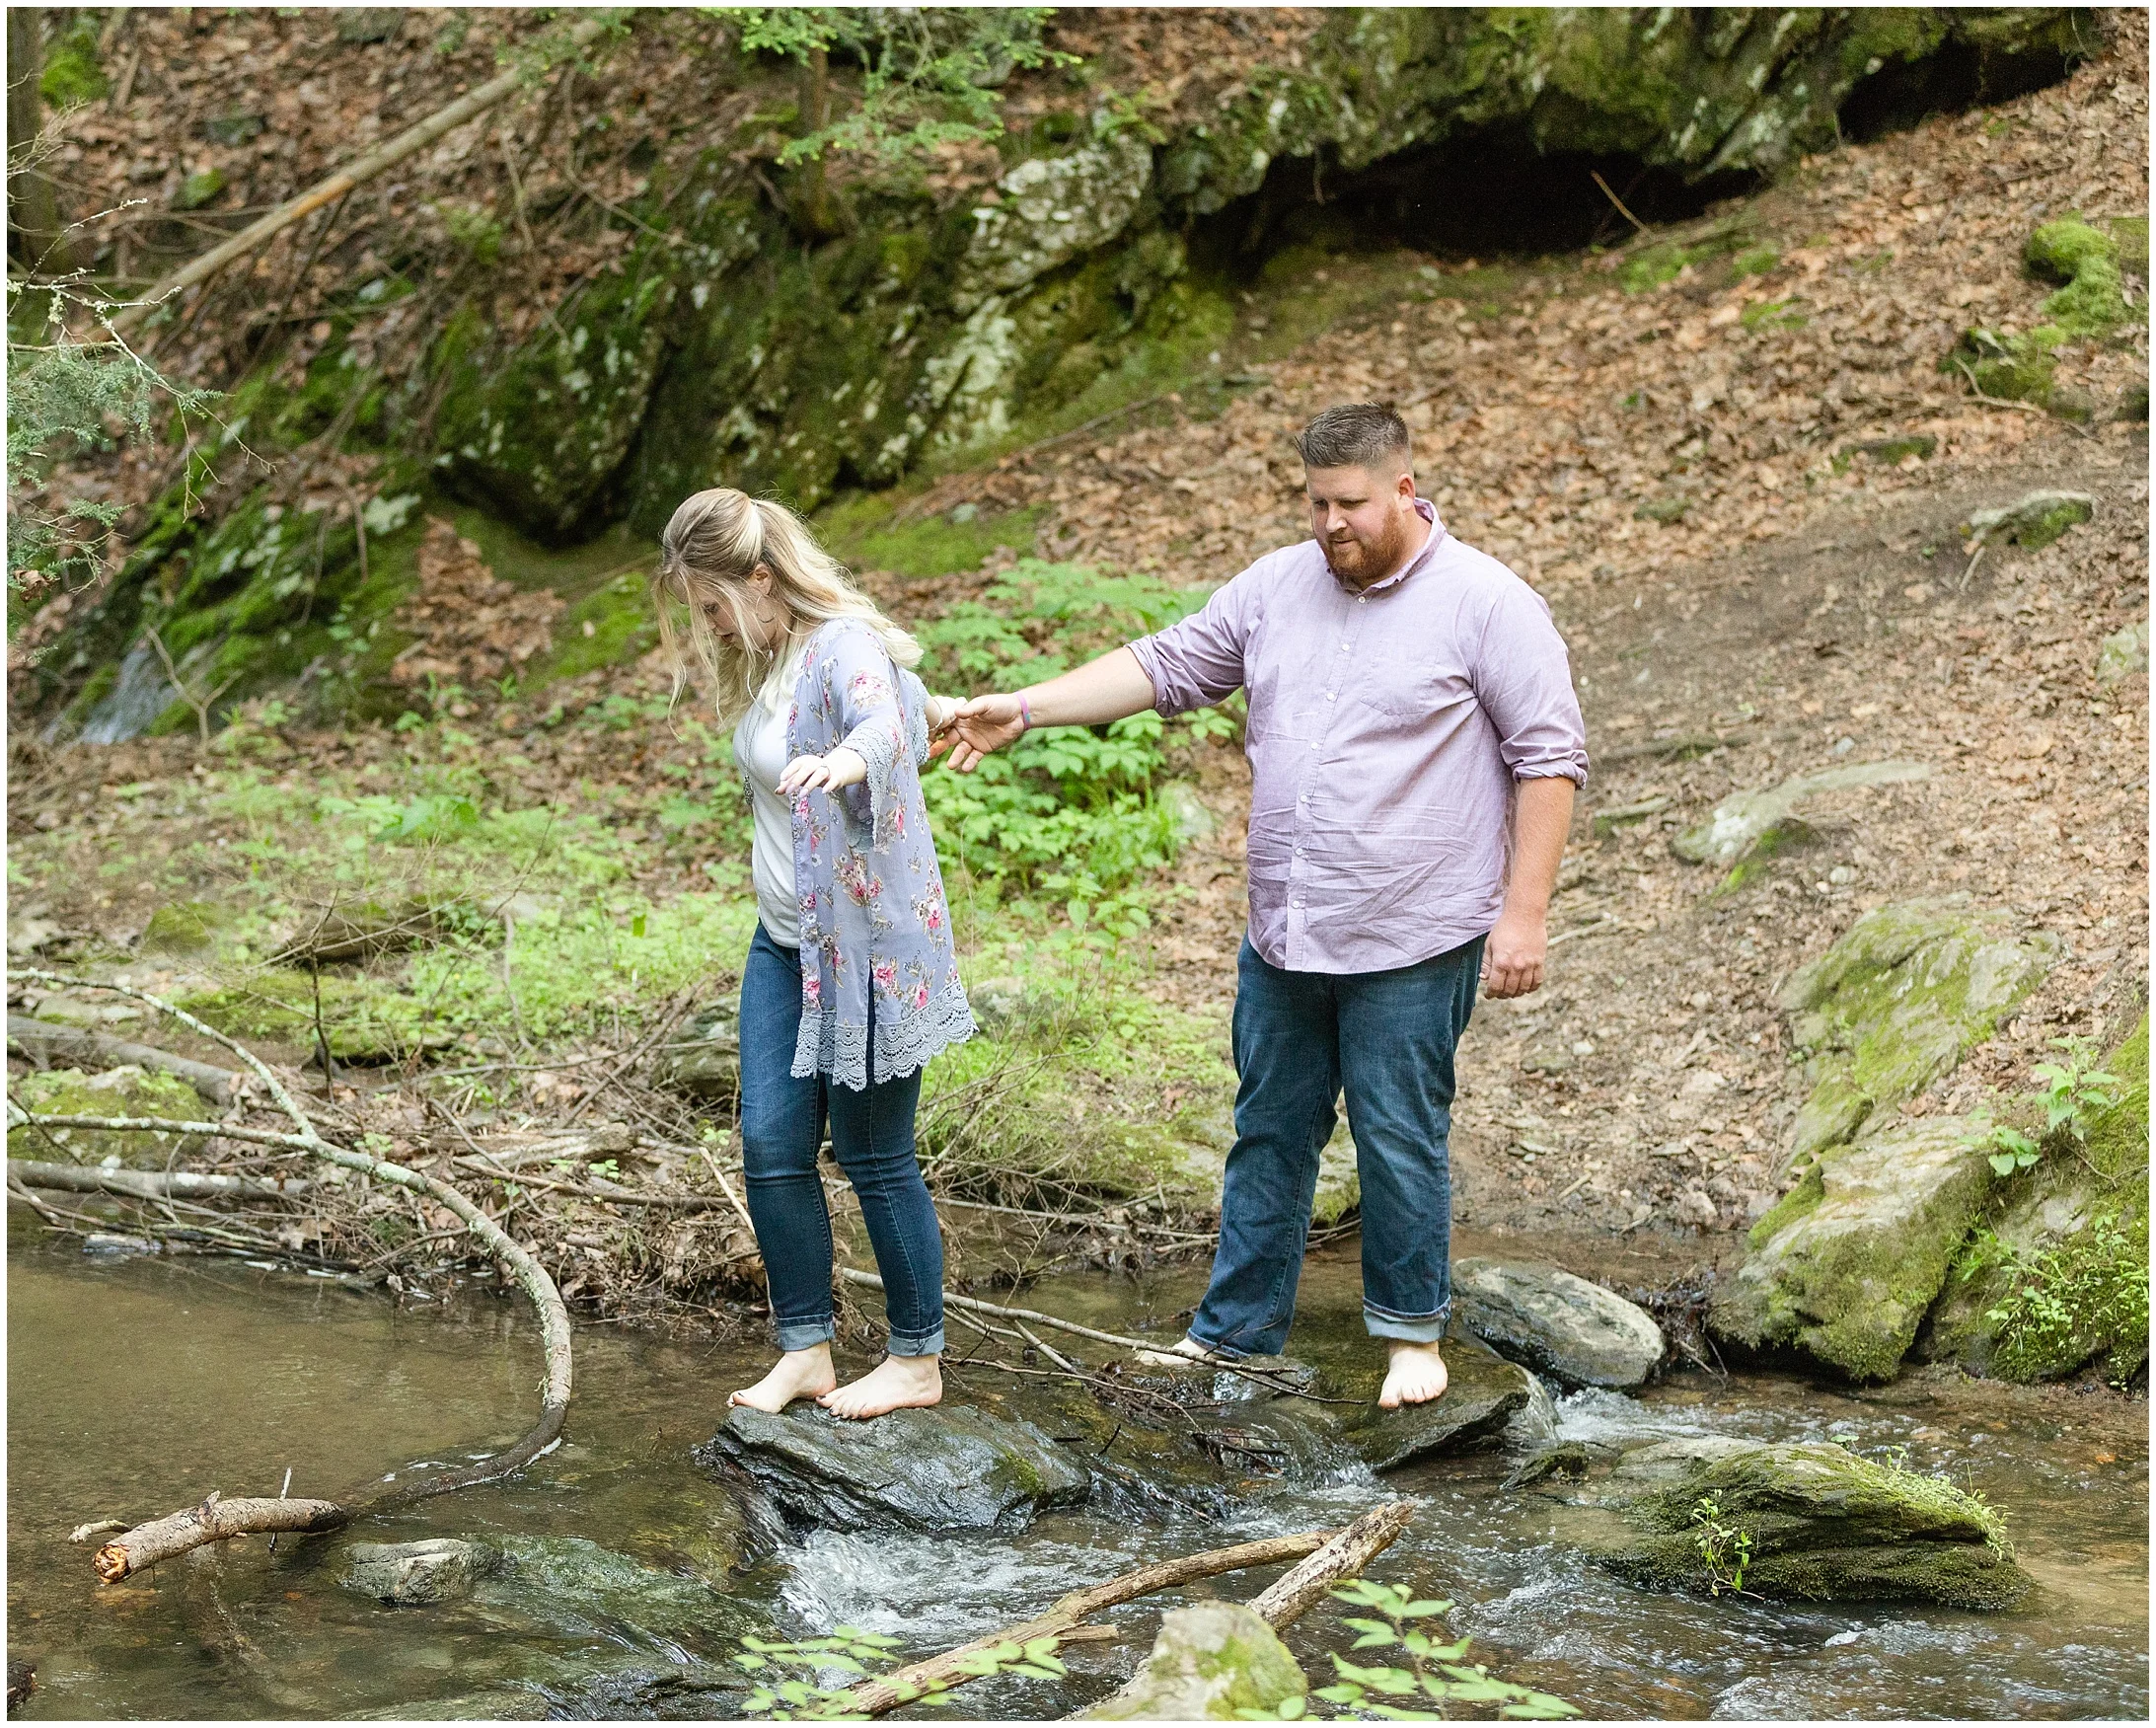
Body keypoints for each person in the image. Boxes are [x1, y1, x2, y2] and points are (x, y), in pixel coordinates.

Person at [943, 403, 1587, 1409]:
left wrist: (1525, 913)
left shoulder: (1487, 603)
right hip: (1285, 928)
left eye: (1352, 505)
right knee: (1269, 1129)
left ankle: (1411, 1333)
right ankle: (1232, 1334)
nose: (1331, 524)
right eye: (1316, 503)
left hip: (1412, 932)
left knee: (1395, 1129)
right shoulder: (1278, 587)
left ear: (1406, 489)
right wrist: (1024, 706)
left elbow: (1548, 758)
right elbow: (1162, 664)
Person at [652, 488, 974, 1420]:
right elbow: (912, 705)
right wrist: (941, 712)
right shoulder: (772, 658)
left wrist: (850, 761)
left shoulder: (839, 646)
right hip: (784, 944)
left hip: (869, 949)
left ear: (761, 579)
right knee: (770, 1144)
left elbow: (876, 716)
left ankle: (917, 1358)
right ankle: (805, 1349)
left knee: (873, 1152)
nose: (709, 624)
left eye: (713, 604)